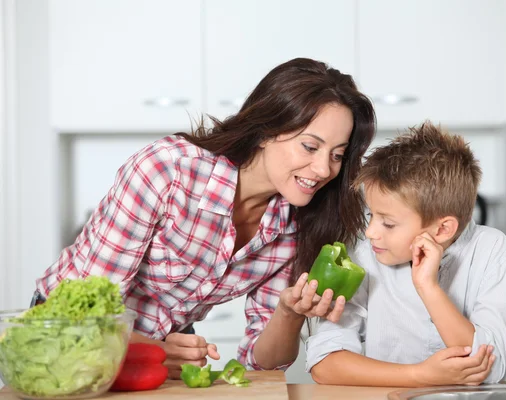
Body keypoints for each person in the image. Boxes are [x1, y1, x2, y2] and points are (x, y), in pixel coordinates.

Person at [33, 58, 376, 378]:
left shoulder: (295, 225)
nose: (322, 169)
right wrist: (156, 352)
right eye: (310, 146)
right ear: (266, 132)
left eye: (337, 155)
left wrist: (290, 313)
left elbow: (263, 364)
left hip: (165, 349)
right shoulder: (168, 171)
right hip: (62, 335)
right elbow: (87, 311)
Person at [306, 122, 506, 386]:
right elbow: (324, 364)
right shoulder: (366, 256)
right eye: (370, 215)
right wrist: (420, 375)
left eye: (388, 223)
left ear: (443, 228)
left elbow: (486, 368)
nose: (371, 232)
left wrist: (428, 287)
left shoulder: (492, 251)